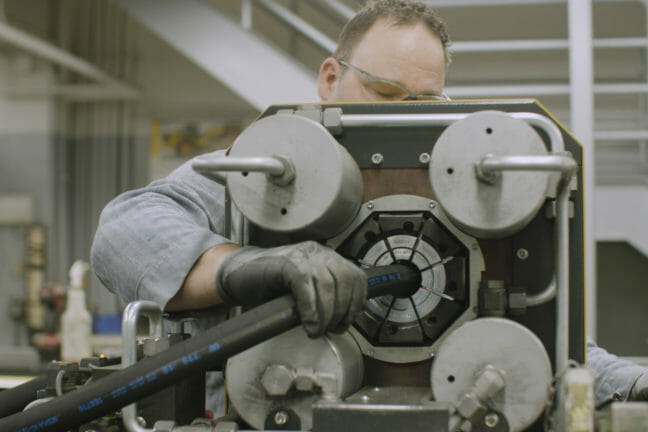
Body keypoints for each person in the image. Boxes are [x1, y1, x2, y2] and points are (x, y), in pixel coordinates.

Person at [92, 0, 646, 412]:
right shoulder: (263, 173)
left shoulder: (462, 189)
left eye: (427, 103)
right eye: (386, 94)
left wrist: (627, 382)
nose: (405, 116)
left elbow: (544, 339)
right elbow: (123, 233)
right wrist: (249, 267)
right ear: (331, 79)